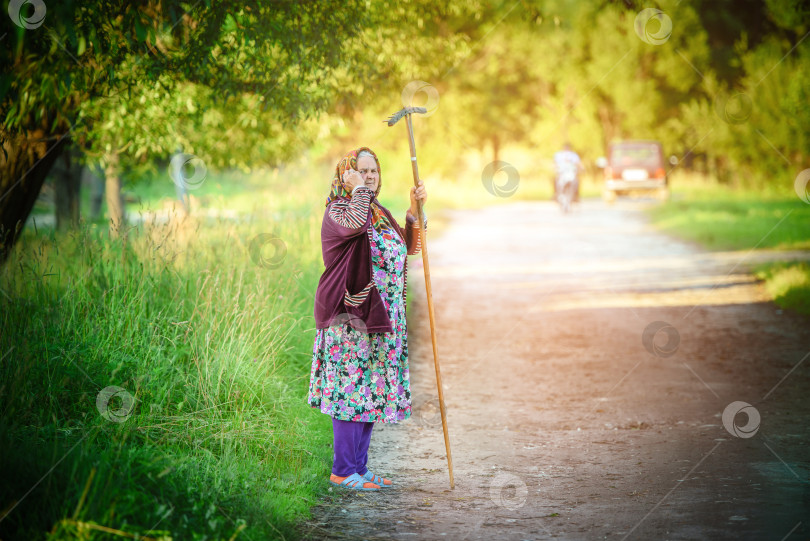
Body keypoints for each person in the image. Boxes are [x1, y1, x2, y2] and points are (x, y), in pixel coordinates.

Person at [307, 147, 427, 491]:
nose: (370, 176)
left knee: (370, 390)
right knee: (350, 392)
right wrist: (359, 188)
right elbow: (355, 224)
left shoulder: (378, 213)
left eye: (374, 171)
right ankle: (343, 471)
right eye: (362, 171)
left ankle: (358, 467)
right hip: (351, 319)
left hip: (382, 319)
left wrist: (414, 210)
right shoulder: (340, 212)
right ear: (346, 175)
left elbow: (408, 248)